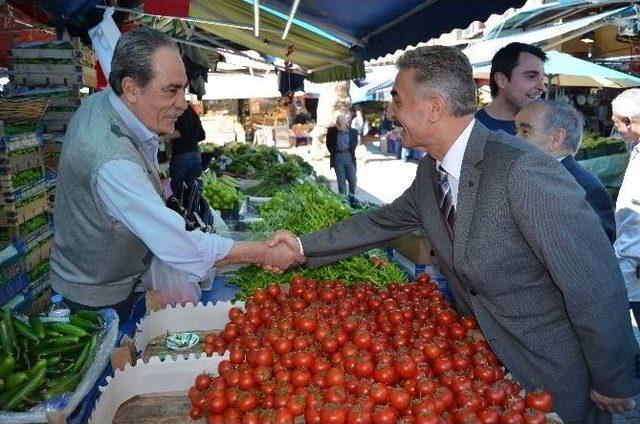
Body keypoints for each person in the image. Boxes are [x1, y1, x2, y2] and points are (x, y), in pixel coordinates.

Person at [269, 45, 640, 423]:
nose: (391, 112)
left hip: (554, 376)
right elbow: (379, 223)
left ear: (433, 107)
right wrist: (300, 246)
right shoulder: (431, 173)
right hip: (487, 368)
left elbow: (592, 279)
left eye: (397, 99)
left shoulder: (523, 171)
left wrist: (613, 377)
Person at [50, 27, 302, 317]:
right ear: (131, 89)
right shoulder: (111, 160)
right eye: (172, 90)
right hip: (92, 299)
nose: (183, 103)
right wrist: (262, 252)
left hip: (111, 277)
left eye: (183, 88)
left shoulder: (106, 104)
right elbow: (181, 245)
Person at [516, 99, 616, 243]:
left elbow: (597, 250)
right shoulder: (538, 175)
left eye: (525, 132)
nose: (515, 138)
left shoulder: (583, 187)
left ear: (556, 138)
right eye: (516, 130)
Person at [611, 88, 640, 327]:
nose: (615, 129)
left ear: (628, 122)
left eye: (615, 123)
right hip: (629, 260)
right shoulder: (636, 148)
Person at [476, 42, 547, 135]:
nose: (543, 87)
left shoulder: (547, 129)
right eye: (532, 76)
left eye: (542, 78)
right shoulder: (470, 130)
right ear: (501, 80)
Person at [165, 102, 205, 199]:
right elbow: (202, 135)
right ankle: (193, 211)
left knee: (178, 190)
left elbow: (179, 132)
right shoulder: (194, 115)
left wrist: (162, 138)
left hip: (181, 155)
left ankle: (180, 211)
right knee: (194, 190)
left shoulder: (181, 113)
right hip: (195, 155)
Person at [326, 115, 358, 202]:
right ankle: (343, 201)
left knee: (352, 179)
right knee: (341, 180)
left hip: (349, 156)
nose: (338, 126)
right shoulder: (332, 131)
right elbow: (328, 144)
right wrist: (334, 152)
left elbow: (354, 144)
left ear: (346, 124)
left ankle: (352, 198)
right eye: (337, 123)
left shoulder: (353, 132)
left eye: (340, 124)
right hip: (337, 156)